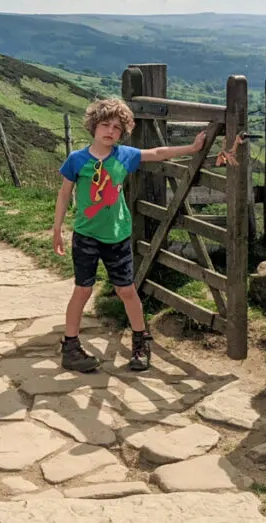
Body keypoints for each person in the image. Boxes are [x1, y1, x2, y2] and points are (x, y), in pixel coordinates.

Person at [52, 98, 206, 373]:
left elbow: (157, 153)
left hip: (118, 235)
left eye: (117, 128)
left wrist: (192, 148)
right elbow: (64, 194)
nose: (110, 131)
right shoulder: (77, 159)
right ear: (93, 126)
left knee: (126, 290)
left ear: (122, 133)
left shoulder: (124, 155)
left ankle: (140, 341)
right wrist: (57, 230)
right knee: (82, 289)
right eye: (105, 124)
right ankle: (71, 346)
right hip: (86, 235)